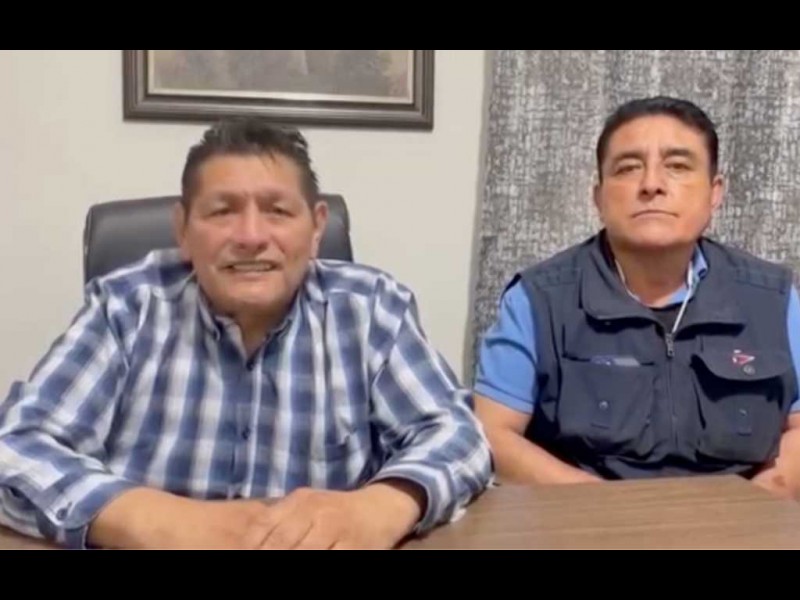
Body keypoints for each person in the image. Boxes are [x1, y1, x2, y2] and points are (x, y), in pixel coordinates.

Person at [0, 118, 492, 549]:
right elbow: (16, 446)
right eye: (222, 211)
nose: (252, 236)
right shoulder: (126, 308)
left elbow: (458, 435)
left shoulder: (372, 310)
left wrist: (381, 507)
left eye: (278, 211)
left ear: (316, 228)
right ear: (183, 230)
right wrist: (158, 520)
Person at [474, 96, 800, 498]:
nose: (651, 185)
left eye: (677, 166)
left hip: (744, 518)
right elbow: (492, 433)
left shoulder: (773, 298)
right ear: (598, 197)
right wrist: (615, 512)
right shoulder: (539, 299)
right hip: (584, 518)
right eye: (628, 168)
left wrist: (750, 507)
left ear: (715, 192)